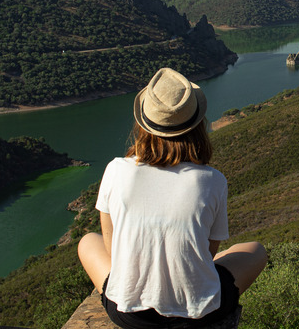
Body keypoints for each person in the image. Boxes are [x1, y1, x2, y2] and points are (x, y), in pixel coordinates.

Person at [78, 67, 267, 328]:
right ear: (197, 125)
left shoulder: (116, 169)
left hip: (128, 315)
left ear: (144, 123)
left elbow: (112, 251)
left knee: (88, 241)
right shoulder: (212, 180)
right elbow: (207, 255)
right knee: (255, 250)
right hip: (198, 314)